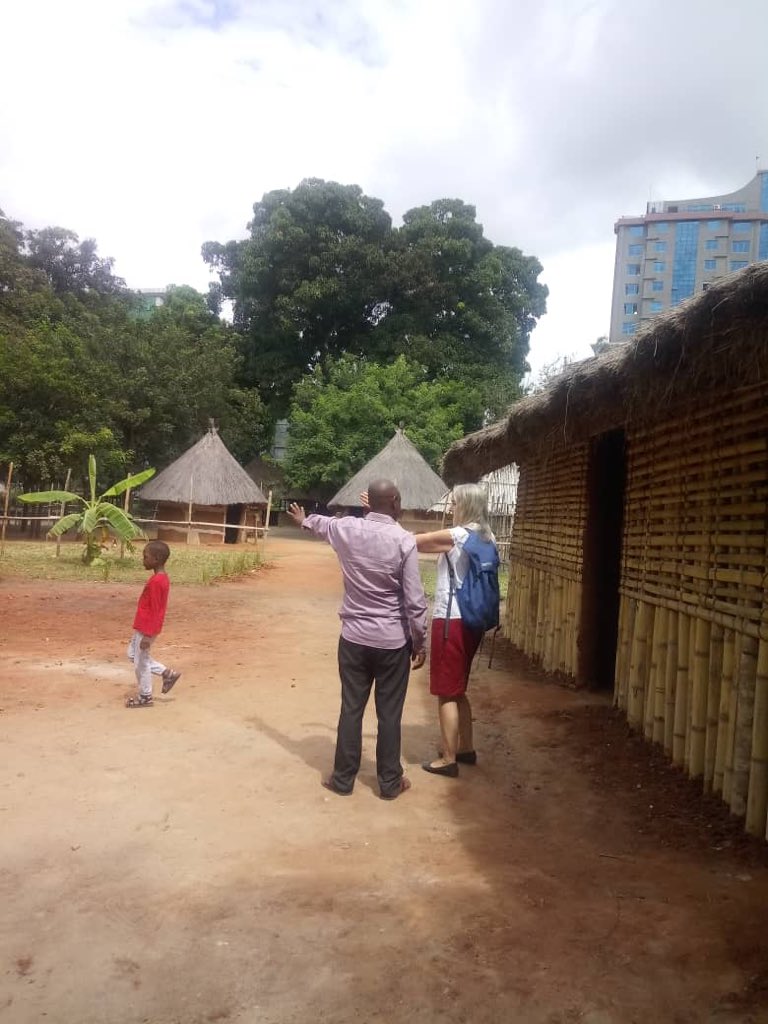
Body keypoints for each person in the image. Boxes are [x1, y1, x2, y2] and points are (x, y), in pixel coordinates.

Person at [288, 480, 428, 799]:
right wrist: (419, 642)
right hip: (392, 642)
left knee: (351, 708)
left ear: (370, 503)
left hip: (353, 638)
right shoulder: (404, 541)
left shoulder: (347, 529)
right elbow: (415, 601)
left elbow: (322, 524)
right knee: (389, 714)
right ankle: (390, 783)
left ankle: (343, 780)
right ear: (395, 502)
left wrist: (304, 520)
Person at [414, 483, 496, 777]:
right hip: (473, 621)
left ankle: (448, 759)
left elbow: (413, 542)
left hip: (451, 620)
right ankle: (465, 748)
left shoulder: (458, 535)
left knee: (446, 692)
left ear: (467, 505)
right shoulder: (487, 537)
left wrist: (383, 517)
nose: (451, 508)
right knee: (458, 689)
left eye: (455, 502)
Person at [125, 540, 181, 708]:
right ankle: (166, 673)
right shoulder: (159, 578)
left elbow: (156, 609)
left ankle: (145, 696)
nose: (143, 560)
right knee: (133, 655)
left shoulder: (157, 581)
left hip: (147, 627)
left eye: (145, 557)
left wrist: (148, 636)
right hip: (144, 625)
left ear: (156, 559)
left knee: (141, 663)